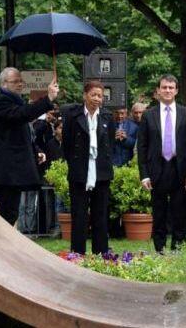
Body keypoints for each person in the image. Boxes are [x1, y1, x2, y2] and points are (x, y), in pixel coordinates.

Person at [0, 67, 59, 226]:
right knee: (7, 213)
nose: (20, 84)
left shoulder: (13, 102)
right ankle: (2, 246)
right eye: (15, 81)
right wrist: (48, 98)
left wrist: (36, 152)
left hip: (12, 171)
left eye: (21, 81)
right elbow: (22, 114)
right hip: (7, 171)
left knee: (11, 213)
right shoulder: (1, 102)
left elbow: (21, 134)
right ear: (4, 84)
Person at [137, 74, 186, 253]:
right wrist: (144, 174)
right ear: (158, 91)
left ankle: (178, 248)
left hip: (180, 169)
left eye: (171, 87)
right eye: (164, 87)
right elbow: (142, 147)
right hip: (157, 169)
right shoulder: (148, 115)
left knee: (180, 213)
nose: (168, 90)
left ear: (176, 90)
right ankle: (160, 249)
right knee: (159, 213)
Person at [62, 80, 115, 255]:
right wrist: (75, 164)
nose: (97, 99)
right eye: (93, 95)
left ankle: (101, 254)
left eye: (100, 96)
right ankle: (77, 254)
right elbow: (67, 144)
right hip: (79, 172)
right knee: (79, 216)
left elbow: (111, 144)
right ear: (85, 95)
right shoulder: (72, 115)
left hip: (101, 172)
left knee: (101, 216)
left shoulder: (107, 116)